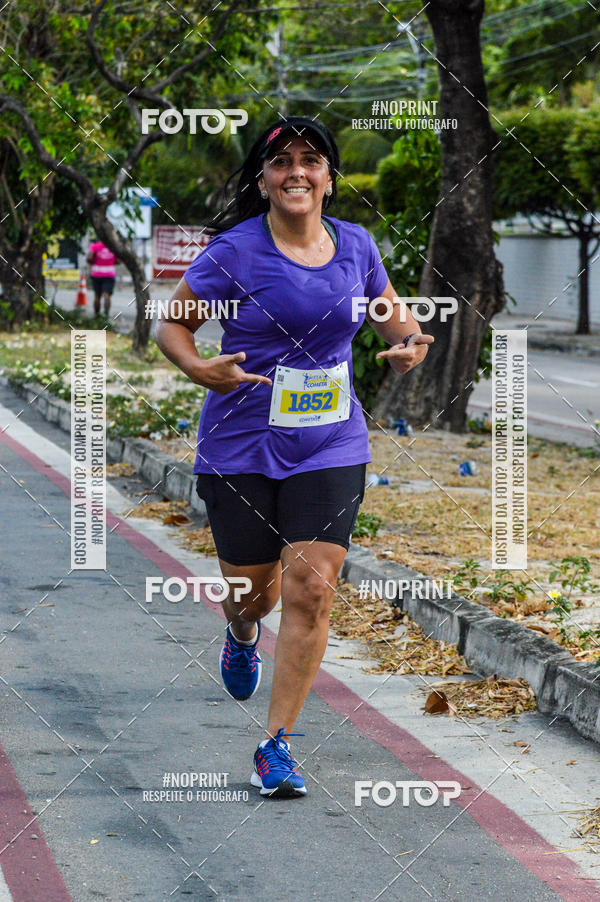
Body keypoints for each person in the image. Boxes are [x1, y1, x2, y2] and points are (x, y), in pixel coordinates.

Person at [156, 116, 433, 799]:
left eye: (311, 160)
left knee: (312, 587)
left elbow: (395, 318)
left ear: (329, 178)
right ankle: (244, 634)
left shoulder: (357, 246)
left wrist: (408, 343)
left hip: (331, 441)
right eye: (282, 162)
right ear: (264, 180)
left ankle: (275, 744)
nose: (297, 172)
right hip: (242, 442)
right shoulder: (234, 253)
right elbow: (173, 325)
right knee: (255, 593)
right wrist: (201, 371)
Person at [86, 239, 118, 316]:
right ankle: (106, 315)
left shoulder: (95, 246)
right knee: (107, 295)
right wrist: (110, 261)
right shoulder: (113, 247)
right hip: (109, 274)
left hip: (97, 274)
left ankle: (97, 316)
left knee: (97, 296)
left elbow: (89, 258)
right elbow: (119, 261)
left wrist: (95, 261)